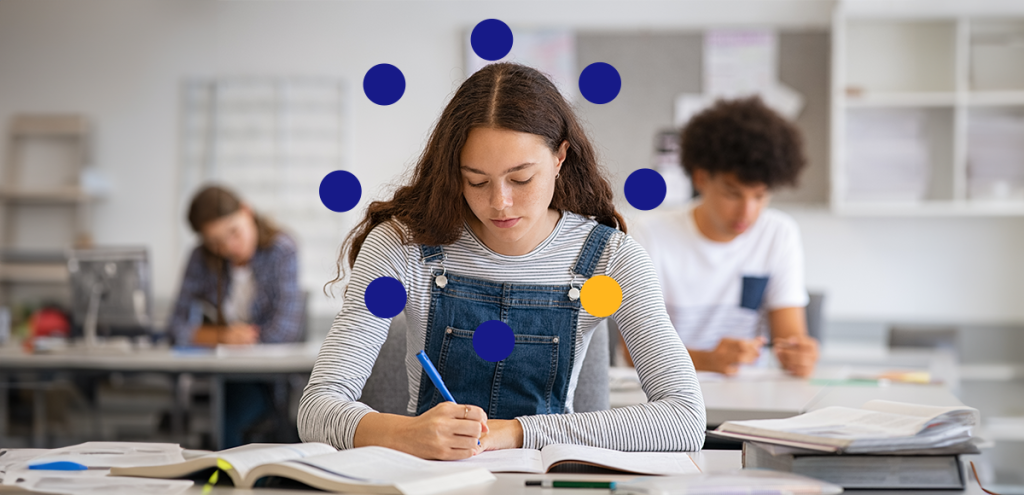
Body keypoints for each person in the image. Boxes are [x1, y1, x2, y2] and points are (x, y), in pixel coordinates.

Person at [299, 63, 705, 460]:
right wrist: (405, 433)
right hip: (430, 480)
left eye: (521, 179)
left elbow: (684, 419)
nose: (499, 203)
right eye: (476, 180)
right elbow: (317, 408)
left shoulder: (610, 259)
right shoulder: (402, 245)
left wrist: (516, 431)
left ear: (560, 158)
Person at [629, 97, 819, 378]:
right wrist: (708, 360)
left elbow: (789, 339)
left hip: (746, 399)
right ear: (701, 178)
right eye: (733, 193)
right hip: (665, 396)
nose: (747, 211)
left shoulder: (778, 234)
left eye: (760, 195)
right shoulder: (648, 234)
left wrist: (799, 355)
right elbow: (633, 352)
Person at [168, 185, 304, 447]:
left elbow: (285, 331)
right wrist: (223, 336)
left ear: (246, 211)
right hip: (218, 375)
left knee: (228, 421)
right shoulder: (200, 258)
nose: (230, 247)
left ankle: (229, 481)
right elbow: (174, 327)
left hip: (265, 379)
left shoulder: (282, 250)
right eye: (216, 242)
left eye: (234, 232)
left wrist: (211, 337)